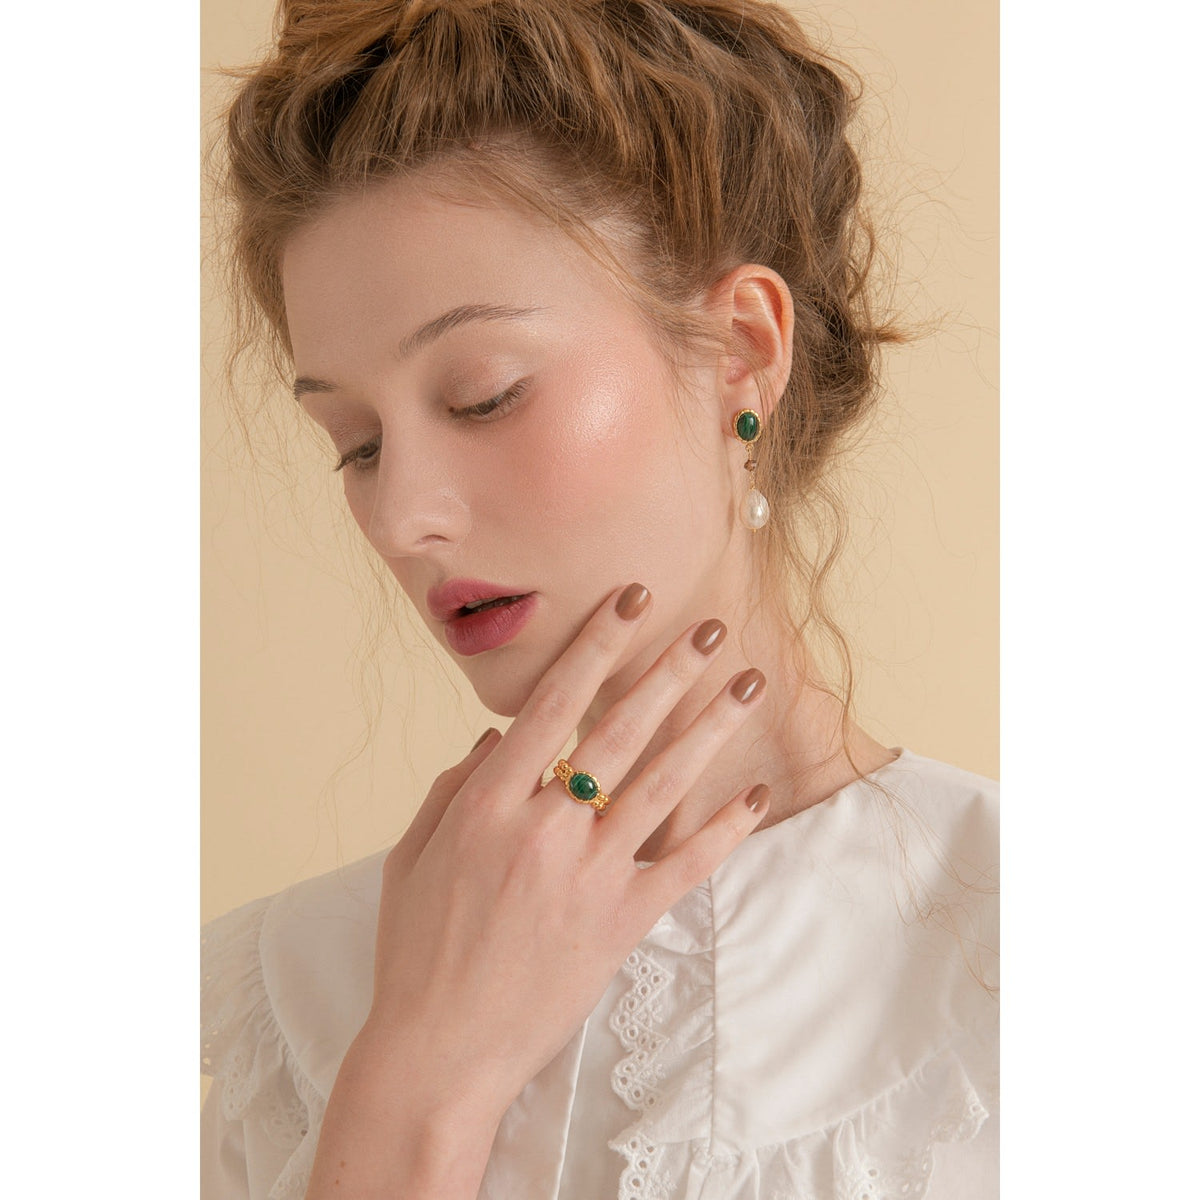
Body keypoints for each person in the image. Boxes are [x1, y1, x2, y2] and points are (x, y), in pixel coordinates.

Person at [200, 1, 999, 1197]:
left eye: (483, 395)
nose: (400, 515)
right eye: (355, 443)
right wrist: (419, 1076)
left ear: (739, 352)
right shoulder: (298, 997)